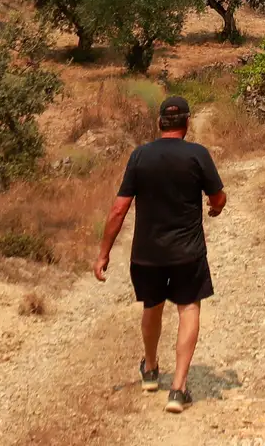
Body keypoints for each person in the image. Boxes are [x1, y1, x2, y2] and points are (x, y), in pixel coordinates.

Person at [94, 94, 226, 414]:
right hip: (188, 253)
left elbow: (118, 209)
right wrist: (213, 209)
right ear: (187, 123)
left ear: (159, 123)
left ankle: (151, 370)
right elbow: (218, 198)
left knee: (151, 308)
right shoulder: (198, 155)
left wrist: (104, 253)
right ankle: (178, 389)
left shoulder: (140, 156)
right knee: (188, 309)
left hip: (146, 254)